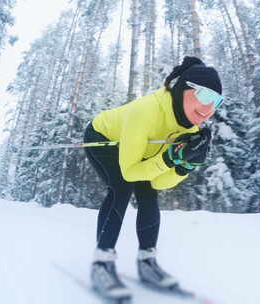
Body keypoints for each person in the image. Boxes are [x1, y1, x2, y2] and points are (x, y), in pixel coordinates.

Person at [83, 56, 223, 300]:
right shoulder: (145, 111)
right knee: (122, 187)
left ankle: (147, 261)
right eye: (205, 96)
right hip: (103, 137)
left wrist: (184, 164)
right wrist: (168, 159)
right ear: (184, 90)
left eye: (217, 101)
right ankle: (102, 262)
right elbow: (129, 172)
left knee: (149, 192)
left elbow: (159, 181)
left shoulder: (191, 127)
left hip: (141, 150)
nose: (209, 109)